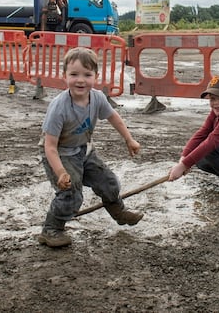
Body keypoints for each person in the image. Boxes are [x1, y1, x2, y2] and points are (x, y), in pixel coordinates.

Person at [38, 47, 143, 248]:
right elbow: (49, 146)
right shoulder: (59, 107)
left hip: (84, 150)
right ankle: (51, 229)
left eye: (87, 74)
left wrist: (129, 139)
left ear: (96, 76)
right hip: (60, 155)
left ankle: (118, 212)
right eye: (74, 74)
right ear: (64, 76)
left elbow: (114, 117)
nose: (80, 80)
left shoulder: (97, 97)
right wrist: (60, 172)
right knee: (71, 194)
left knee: (109, 181)